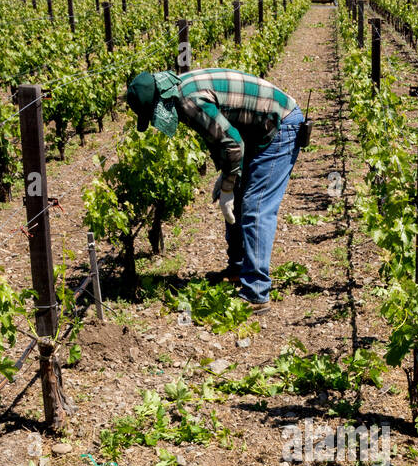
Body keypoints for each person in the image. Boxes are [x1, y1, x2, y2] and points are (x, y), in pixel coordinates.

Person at [126, 67, 305, 309]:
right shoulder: (179, 86)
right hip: (257, 128)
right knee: (240, 198)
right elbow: (221, 135)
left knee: (255, 206)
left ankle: (257, 292)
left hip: (279, 125)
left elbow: (231, 143)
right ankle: (239, 270)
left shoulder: (188, 101)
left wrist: (229, 186)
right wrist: (227, 174)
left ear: (160, 102)